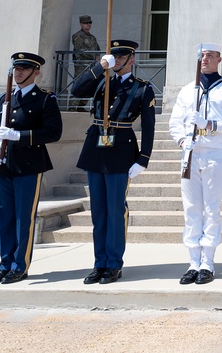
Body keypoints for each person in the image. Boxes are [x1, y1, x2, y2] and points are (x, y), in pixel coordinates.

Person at [71, 39, 155, 285]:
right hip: (96, 149)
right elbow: (76, 91)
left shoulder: (142, 88)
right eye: (113, 57)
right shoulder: (101, 80)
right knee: (99, 212)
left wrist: (144, 159)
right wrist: (99, 68)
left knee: (115, 210)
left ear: (132, 60)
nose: (116, 61)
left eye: (120, 57)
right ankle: (99, 263)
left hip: (121, 151)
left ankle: (113, 264)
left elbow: (149, 127)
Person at [0, 52, 63, 284]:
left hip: (28, 166)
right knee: (3, 218)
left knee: (22, 219)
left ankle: (20, 265)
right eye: (17, 68)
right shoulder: (2, 99)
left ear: (36, 72)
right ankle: (4, 264)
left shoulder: (45, 100)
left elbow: (53, 132)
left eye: (25, 69)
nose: (19, 72)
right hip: (3, 168)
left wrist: (19, 135)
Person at [169, 43, 222, 285]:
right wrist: (182, 141)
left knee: (211, 208)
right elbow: (174, 122)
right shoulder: (188, 90)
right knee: (191, 208)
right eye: (202, 56)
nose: (204, 60)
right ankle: (193, 261)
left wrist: (209, 124)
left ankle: (207, 262)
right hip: (191, 153)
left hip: (214, 152)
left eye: (210, 56)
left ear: (219, 59)